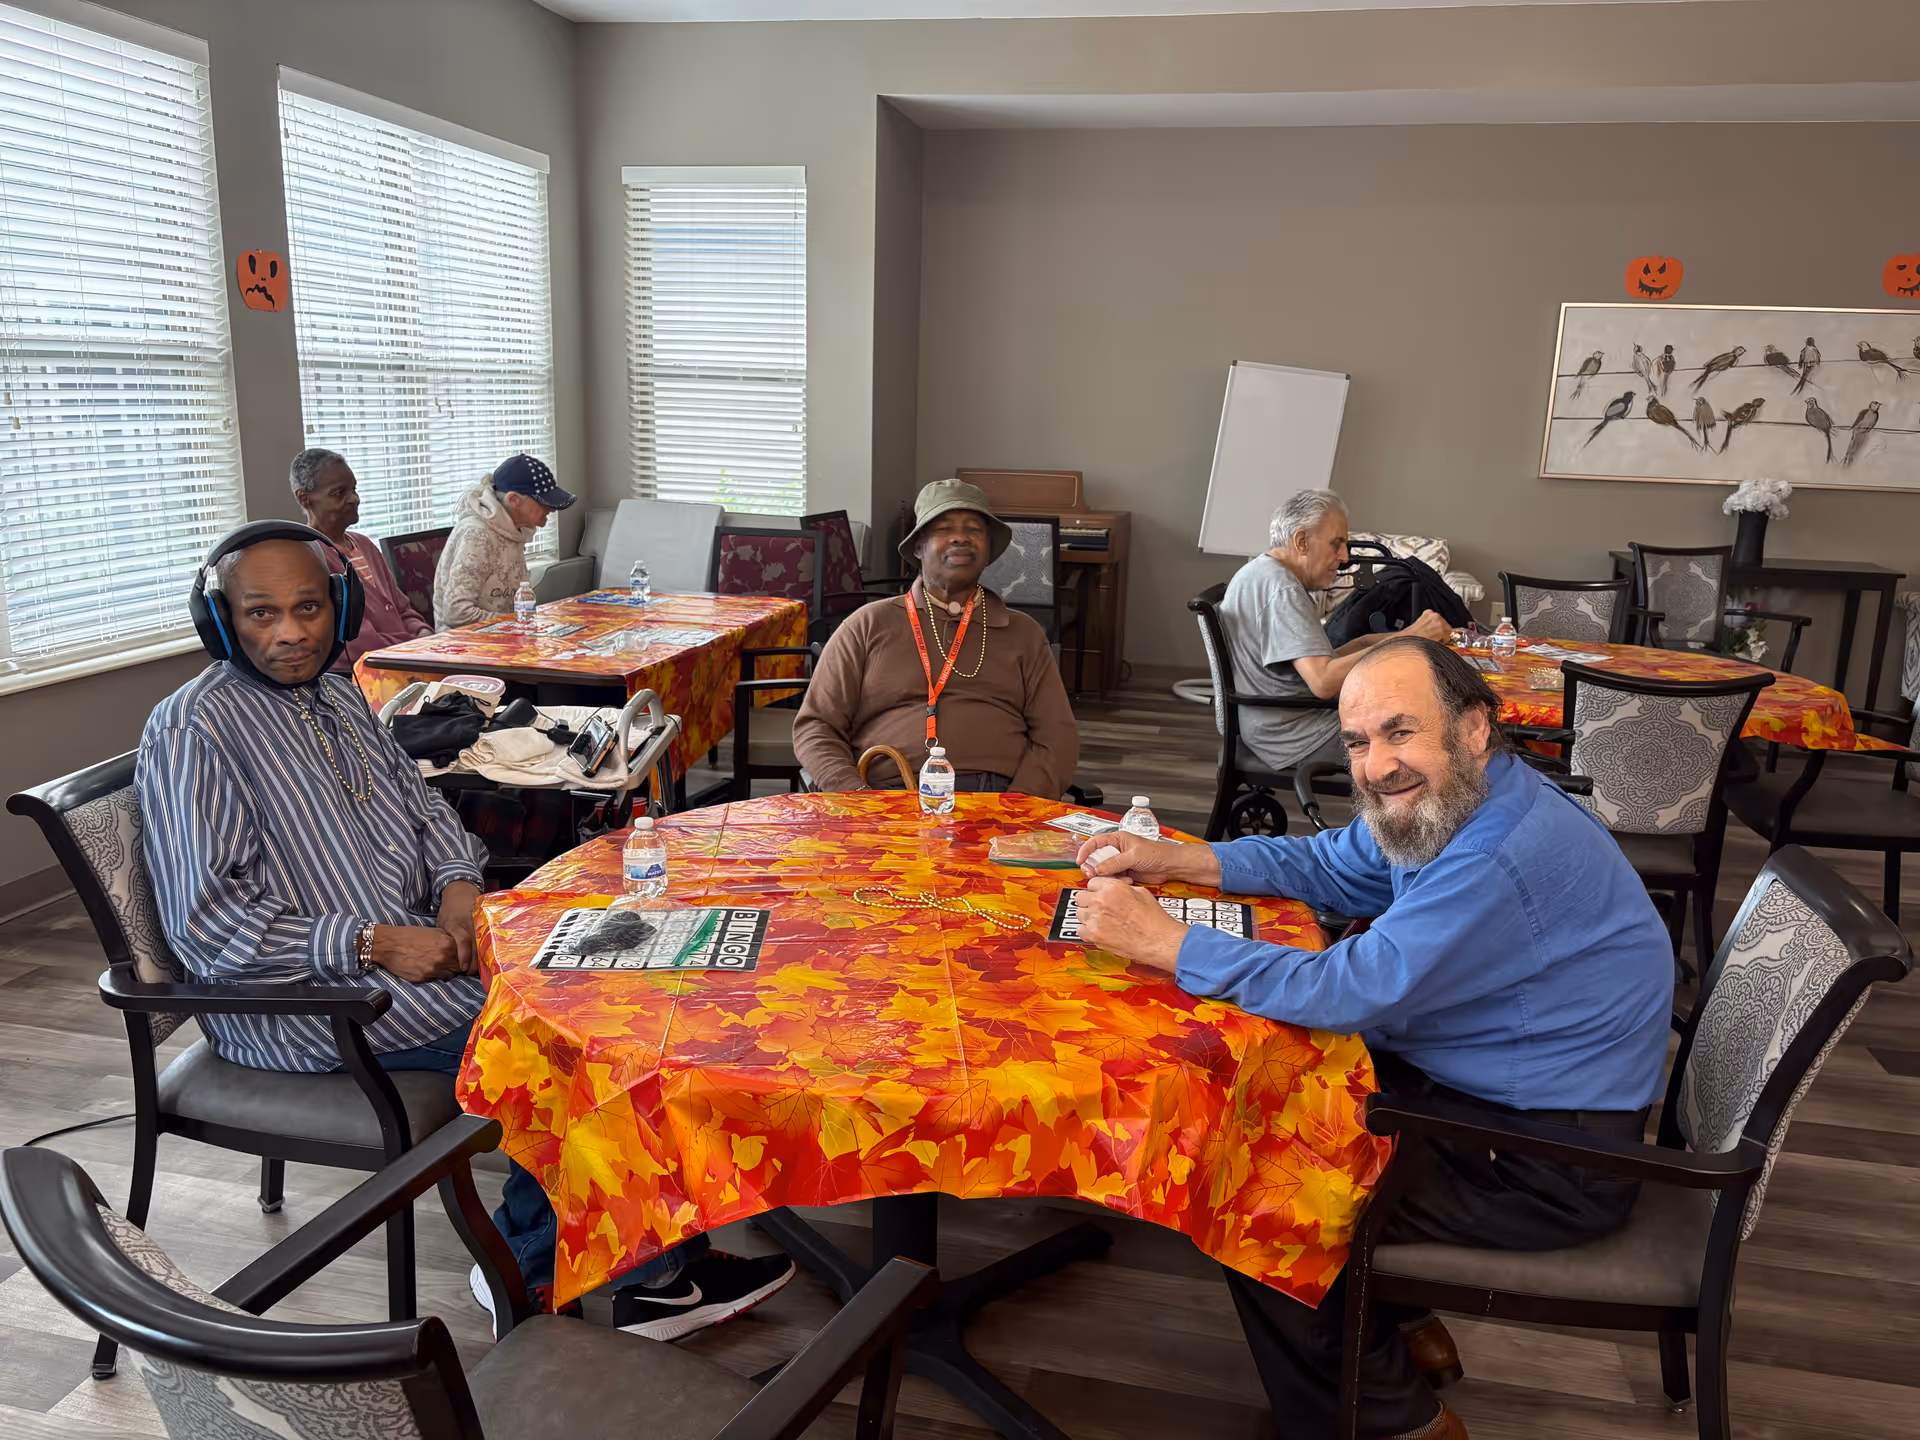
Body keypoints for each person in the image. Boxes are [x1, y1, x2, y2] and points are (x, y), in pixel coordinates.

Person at [138, 524, 792, 1336]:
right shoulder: (193, 729)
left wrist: (454, 887)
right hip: (310, 1002)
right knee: (577, 1040)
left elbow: (427, 815)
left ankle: (606, 1254)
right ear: (220, 621)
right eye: (261, 614)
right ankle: (583, 1274)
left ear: (338, 608)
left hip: (420, 956)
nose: (292, 632)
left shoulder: (340, 696)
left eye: (308, 608)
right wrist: (373, 943)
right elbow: (208, 926)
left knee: (630, 983)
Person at [1070, 637, 1673, 1440]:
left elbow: (1348, 988)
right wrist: (1180, 858)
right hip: (1489, 1101)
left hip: (1548, 1162)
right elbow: (1329, 864)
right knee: (1267, 1108)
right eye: (1358, 742)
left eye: (1400, 731)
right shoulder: (1466, 802)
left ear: (1474, 729)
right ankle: (1392, 1332)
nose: (1377, 765)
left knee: (1250, 1192)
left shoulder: (1499, 852)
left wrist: (1166, 942)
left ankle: (1392, 1423)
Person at [793, 479, 1078, 797]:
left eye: (974, 529)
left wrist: (1019, 805)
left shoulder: (1023, 632)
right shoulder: (867, 624)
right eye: (944, 529)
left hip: (997, 796)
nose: (961, 537)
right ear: (918, 547)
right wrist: (855, 795)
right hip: (887, 793)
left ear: (988, 552)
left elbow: (1057, 737)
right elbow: (816, 726)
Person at [1220, 490, 1451, 775]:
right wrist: (1410, 638)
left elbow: (1319, 665)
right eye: (1336, 544)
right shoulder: (1282, 588)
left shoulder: (1262, 572)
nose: (1344, 557)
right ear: (1302, 542)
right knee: (1434, 737)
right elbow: (1324, 682)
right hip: (1298, 734)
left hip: (1277, 723)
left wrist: (1389, 640)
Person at [288, 448, 431, 671]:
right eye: (339, 493)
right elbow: (354, 644)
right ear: (305, 499)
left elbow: (403, 609)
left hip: (407, 660)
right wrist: (417, 647)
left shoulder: (364, 544)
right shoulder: (307, 558)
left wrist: (425, 634)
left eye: (354, 489)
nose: (354, 499)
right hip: (359, 679)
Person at [433, 454, 575, 629]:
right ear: (514, 500)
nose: (551, 509)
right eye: (543, 503)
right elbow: (457, 614)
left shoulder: (515, 530)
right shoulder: (477, 535)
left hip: (504, 635)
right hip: (465, 645)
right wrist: (518, 624)